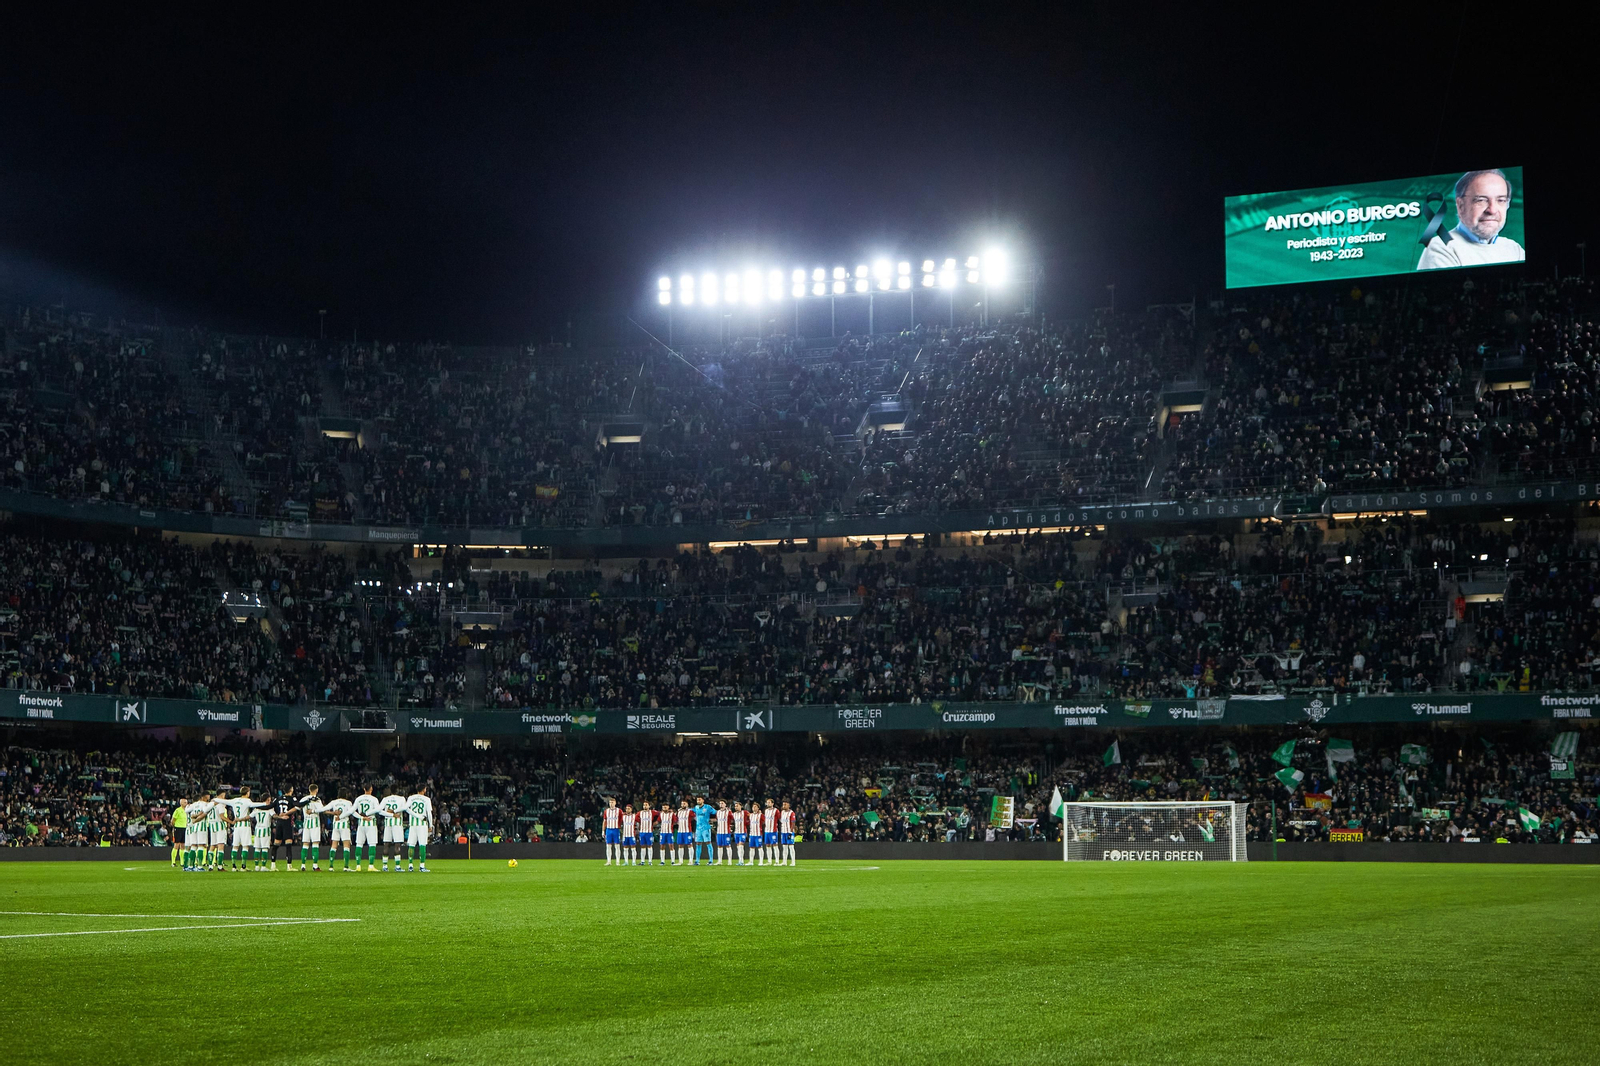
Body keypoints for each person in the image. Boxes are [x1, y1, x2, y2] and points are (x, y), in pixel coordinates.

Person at [1416, 169, 1525, 270]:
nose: (1492, 210)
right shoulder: (1441, 248)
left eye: (1501, 200)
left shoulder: (1514, 248)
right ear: (1460, 205)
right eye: (1481, 200)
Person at [322, 793, 356, 871]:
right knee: (346, 846)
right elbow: (351, 812)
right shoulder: (348, 803)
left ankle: (331, 866)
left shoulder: (334, 802)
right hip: (344, 826)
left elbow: (324, 810)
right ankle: (346, 867)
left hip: (336, 826)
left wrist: (333, 813)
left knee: (334, 845)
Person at [405, 785, 434, 872]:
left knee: (411, 845)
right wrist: (430, 825)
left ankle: (410, 865)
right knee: (422, 844)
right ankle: (422, 866)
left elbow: (406, 808)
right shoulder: (427, 799)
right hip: (422, 825)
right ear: (424, 790)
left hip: (413, 824)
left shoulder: (411, 798)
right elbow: (429, 813)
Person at [379, 790, 407, 871]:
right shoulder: (401, 799)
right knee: (397, 845)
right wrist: (394, 813)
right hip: (397, 824)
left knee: (386, 845)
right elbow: (405, 808)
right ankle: (397, 866)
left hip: (388, 824)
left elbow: (380, 811)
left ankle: (384, 866)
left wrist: (390, 814)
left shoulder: (385, 799)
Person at [270, 791, 298, 871]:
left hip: (279, 823)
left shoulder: (277, 798)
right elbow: (298, 806)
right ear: (291, 790)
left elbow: (271, 806)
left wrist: (279, 815)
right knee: (288, 845)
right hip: (287, 823)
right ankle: (289, 866)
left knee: (276, 844)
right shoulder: (291, 799)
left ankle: (273, 865)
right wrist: (287, 813)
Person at [298, 786, 324, 871]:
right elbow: (321, 810)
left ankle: (303, 865)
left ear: (309, 790)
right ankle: (315, 866)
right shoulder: (317, 800)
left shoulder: (303, 799)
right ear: (316, 790)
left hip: (306, 825)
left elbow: (298, 806)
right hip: (315, 824)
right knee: (315, 844)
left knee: (305, 845)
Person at [183, 793, 211, 872]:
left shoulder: (192, 805)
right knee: (201, 846)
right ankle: (199, 866)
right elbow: (206, 811)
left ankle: (190, 866)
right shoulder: (204, 804)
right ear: (202, 798)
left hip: (193, 827)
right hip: (201, 827)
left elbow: (190, 814)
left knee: (193, 846)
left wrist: (195, 815)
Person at [249, 797, 274, 871]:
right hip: (265, 830)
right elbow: (274, 815)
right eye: (269, 800)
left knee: (257, 848)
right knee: (264, 848)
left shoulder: (257, 809)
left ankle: (256, 866)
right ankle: (263, 866)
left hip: (257, 830)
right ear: (266, 800)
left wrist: (240, 819)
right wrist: (281, 817)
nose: (270, 801)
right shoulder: (269, 808)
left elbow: (250, 816)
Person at [692, 795, 714, 866]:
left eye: (700, 800)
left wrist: (713, 820)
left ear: (703, 800)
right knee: (698, 843)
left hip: (706, 828)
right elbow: (691, 811)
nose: (698, 801)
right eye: (697, 800)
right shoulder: (696, 807)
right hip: (698, 829)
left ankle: (711, 860)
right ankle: (697, 861)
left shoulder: (708, 807)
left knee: (708, 843)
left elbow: (715, 812)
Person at [602, 796, 621, 866]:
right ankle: (609, 861)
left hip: (616, 830)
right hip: (608, 830)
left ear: (615, 803)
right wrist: (603, 831)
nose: (611, 804)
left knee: (617, 846)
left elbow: (622, 819)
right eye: (610, 802)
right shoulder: (606, 811)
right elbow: (604, 821)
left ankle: (617, 861)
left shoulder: (619, 811)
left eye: (612, 802)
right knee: (608, 846)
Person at [778, 801, 798, 866]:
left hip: (789, 832)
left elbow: (793, 823)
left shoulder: (791, 813)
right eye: (783, 804)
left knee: (791, 847)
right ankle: (784, 862)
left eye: (785, 804)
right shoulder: (782, 812)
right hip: (783, 832)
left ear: (789, 805)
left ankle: (793, 862)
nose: (783, 806)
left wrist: (791, 832)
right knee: (784, 847)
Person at [170, 796, 187, 869]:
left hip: (185, 828)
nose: (186, 803)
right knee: (176, 844)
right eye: (184, 802)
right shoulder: (177, 810)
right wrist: (174, 827)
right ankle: (173, 862)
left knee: (183, 845)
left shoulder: (187, 810)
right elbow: (173, 820)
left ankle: (182, 862)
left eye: (186, 802)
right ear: (181, 803)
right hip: (178, 828)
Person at [637, 801, 656, 866]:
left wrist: (655, 822)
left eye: (646, 805)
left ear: (649, 806)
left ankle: (650, 861)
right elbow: (636, 818)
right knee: (642, 846)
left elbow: (659, 815)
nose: (645, 806)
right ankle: (642, 861)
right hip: (642, 832)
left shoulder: (652, 812)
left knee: (649, 846)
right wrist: (639, 823)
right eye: (644, 805)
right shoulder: (640, 813)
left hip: (649, 832)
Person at [714, 800, 732, 866]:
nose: (721, 804)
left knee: (728, 846)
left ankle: (729, 861)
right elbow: (717, 820)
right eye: (720, 803)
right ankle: (719, 861)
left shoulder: (728, 812)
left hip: (726, 832)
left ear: (725, 804)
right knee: (719, 846)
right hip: (719, 832)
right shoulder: (718, 812)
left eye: (722, 803)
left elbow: (732, 818)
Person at [761, 799, 779, 867]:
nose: (767, 804)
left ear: (772, 803)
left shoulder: (776, 811)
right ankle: (769, 861)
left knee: (775, 845)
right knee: (768, 846)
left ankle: (777, 861)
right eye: (767, 802)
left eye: (769, 802)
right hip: (767, 831)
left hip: (773, 831)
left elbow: (779, 819)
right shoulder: (766, 811)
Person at [674, 801, 693, 866]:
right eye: (682, 804)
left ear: (687, 804)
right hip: (680, 831)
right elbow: (676, 820)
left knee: (689, 845)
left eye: (684, 803)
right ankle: (680, 861)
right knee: (680, 845)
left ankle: (691, 860)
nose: (683, 805)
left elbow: (694, 817)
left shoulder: (690, 811)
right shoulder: (679, 811)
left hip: (687, 831)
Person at [731, 801, 748, 866]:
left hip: (743, 832)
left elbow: (752, 816)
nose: (736, 807)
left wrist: (747, 823)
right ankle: (740, 860)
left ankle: (741, 861)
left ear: (741, 806)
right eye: (735, 806)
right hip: (736, 832)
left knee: (741, 846)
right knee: (738, 847)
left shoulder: (745, 812)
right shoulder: (734, 814)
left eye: (737, 806)